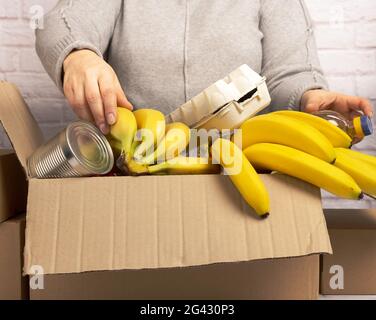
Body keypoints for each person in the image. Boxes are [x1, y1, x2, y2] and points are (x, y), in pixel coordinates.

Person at [36, 0, 373, 135]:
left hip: (241, 173)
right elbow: (65, 21)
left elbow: (289, 74)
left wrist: (309, 97)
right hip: (132, 174)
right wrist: (79, 55)